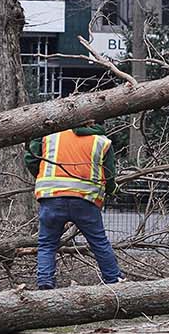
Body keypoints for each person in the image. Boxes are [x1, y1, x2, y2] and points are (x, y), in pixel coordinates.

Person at [24, 123, 124, 289]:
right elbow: (109, 175)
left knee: (47, 244)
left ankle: (45, 282)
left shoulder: (49, 136)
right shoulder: (102, 141)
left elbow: (31, 158)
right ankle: (114, 280)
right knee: (99, 243)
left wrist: (41, 173)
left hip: (52, 197)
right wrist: (113, 190)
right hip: (85, 200)